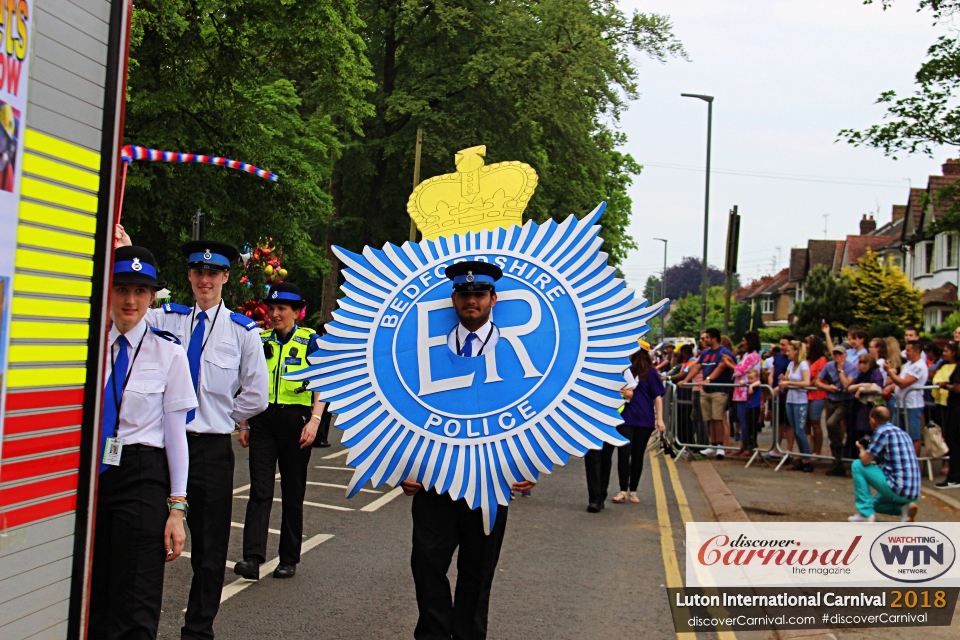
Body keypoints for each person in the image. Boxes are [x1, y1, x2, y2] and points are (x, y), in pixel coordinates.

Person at [116, 225, 269, 639]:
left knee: (209, 549)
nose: (204, 280)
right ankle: (137, 622)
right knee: (150, 538)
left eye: (213, 273)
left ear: (225, 278)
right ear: (188, 277)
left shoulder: (243, 332)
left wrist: (218, 415)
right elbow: (127, 308)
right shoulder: (168, 318)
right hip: (162, 447)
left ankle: (197, 630)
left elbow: (257, 394)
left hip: (210, 448)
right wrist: (127, 252)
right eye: (197, 272)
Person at [399, 261, 534, 639]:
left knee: (478, 574)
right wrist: (404, 468)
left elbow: (532, 413)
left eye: (479, 294)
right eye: (464, 294)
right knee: (426, 566)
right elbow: (405, 411)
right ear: (454, 298)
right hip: (433, 481)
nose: (471, 300)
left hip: (492, 484)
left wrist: (527, 467)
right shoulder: (421, 352)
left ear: (494, 298)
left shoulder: (518, 353)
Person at [90, 246, 198, 638]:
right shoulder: (85, 348)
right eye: (121, 289)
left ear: (153, 297)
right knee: (91, 592)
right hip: (90, 478)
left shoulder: (168, 353)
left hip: (141, 476)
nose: (130, 300)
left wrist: (176, 509)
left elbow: (175, 438)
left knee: (135, 598)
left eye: (139, 290)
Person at [234, 283, 326, 580]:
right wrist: (244, 422)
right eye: (271, 308)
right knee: (260, 489)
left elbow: (323, 383)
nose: (274, 314)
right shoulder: (258, 339)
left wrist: (314, 421)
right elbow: (244, 379)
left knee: (293, 490)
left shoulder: (310, 340)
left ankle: (288, 557)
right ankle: (252, 557)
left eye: (281, 309)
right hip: (262, 420)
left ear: (296, 312)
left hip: (296, 421)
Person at [612, 343, 667, 503]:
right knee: (623, 453)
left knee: (637, 455)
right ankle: (623, 490)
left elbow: (658, 396)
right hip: (626, 418)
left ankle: (633, 491)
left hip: (644, 419)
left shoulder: (650, 372)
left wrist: (660, 419)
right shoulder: (624, 372)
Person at [847, 406, 920, 523]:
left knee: (857, 465)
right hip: (913, 490)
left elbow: (865, 460)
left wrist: (861, 449)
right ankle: (905, 509)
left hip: (898, 487)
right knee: (875, 505)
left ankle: (866, 514)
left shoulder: (882, 431)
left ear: (873, 420)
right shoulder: (902, 432)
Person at [681, 328, 733, 458]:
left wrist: (708, 379)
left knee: (718, 418)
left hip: (719, 390)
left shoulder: (723, 352)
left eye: (707, 338)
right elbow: (697, 367)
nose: (704, 340)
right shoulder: (706, 353)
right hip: (706, 390)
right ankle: (713, 444)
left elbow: (721, 367)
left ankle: (720, 446)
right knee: (709, 418)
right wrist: (686, 380)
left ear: (714, 339)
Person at [814, 345, 858, 476]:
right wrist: (827, 387)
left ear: (845, 355)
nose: (837, 357)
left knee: (831, 423)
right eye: (835, 354)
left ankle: (840, 447)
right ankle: (837, 462)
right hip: (831, 400)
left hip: (844, 401)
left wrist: (840, 370)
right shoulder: (828, 366)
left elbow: (847, 385)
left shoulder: (851, 367)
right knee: (831, 430)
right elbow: (817, 382)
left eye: (840, 354)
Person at [885, 341, 928, 456]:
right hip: (900, 404)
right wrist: (890, 387)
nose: (906, 353)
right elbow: (900, 380)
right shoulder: (909, 364)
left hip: (912, 406)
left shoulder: (919, 366)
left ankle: (914, 462)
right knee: (896, 435)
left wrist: (889, 371)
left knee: (913, 436)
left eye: (908, 350)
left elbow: (904, 383)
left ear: (916, 351)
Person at [778, 340, 813, 472]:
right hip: (790, 400)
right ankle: (801, 457)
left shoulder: (803, 364)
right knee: (794, 429)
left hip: (800, 401)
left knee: (800, 430)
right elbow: (787, 379)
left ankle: (806, 458)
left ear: (796, 351)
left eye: (789, 351)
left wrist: (789, 383)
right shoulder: (791, 364)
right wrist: (784, 380)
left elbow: (806, 382)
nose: (787, 353)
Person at [844, 353, 885, 460]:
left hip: (870, 408)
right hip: (859, 408)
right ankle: (857, 457)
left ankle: (870, 458)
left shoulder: (875, 373)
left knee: (869, 432)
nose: (858, 364)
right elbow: (849, 388)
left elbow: (877, 388)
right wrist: (861, 386)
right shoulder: (861, 375)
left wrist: (860, 390)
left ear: (867, 364)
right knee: (857, 432)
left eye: (861, 362)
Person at [726, 331, 761, 456]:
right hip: (740, 392)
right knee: (741, 419)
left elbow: (740, 370)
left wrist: (729, 363)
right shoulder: (747, 355)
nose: (742, 343)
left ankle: (748, 444)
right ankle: (743, 444)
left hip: (747, 392)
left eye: (744, 341)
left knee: (745, 419)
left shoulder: (753, 356)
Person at [934, 341, 960, 489]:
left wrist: (946, 385)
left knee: (954, 442)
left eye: (947, 351)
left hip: (956, 408)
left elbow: (957, 388)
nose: (943, 353)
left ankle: (954, 477)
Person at [805, 335, 828, 457]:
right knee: (806, 423)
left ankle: (817, 451)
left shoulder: (822, 360)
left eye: (808, 343)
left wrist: (807, 384)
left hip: (817, 395)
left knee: (815, 422)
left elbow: (819, 376)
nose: (806, 346)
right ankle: (807, 448)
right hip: (807, 394)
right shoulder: (808, 359)